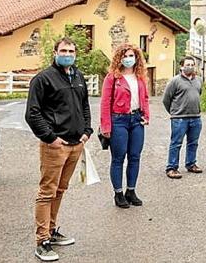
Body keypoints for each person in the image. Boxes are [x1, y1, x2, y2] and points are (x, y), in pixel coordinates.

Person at [26, 37, 93, 262]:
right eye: (63, 50)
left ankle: (52, 231)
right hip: (55, 146)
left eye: (71, 51)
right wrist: (50, 138)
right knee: (47, 192)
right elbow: (32, 113)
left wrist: (87, 131)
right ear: (55, 52)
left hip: (76, 144)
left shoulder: (78, 76)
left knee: (60, 190)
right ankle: (42, 241)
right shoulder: (43, 79)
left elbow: (84, 105)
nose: (68, 54)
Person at [100, 44, 150, 208]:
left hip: (136, 119)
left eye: (131, 56)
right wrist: (106, 126)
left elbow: (146, 98)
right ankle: (118, 193)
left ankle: (131, 190)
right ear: (119, 58)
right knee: (118, 158)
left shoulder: (140, 77)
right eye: (125, 56)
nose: (128, 59)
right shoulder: (112, 78)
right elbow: (105, 103)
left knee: (135, 156)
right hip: (118, 120)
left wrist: (146, 115)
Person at [163, 56, 203, 179]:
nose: (190, 67)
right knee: (176, 143)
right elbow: (166, 99)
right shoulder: (175, 81)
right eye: (187, 64)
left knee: (193, 143)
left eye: (192, 64)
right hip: (180, 118)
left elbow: (198, 93)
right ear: (181, 66)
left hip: (196, 117)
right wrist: (174, 112)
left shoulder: (199, 80)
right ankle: (172, 167)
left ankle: (191, 164)